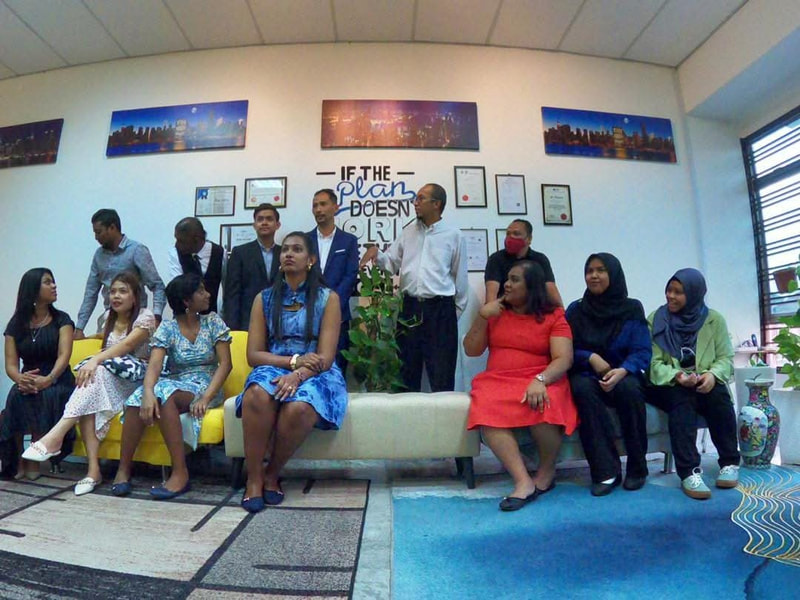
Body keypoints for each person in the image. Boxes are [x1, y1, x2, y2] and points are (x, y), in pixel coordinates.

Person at [237, 232, 347, 513]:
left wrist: (298, 375)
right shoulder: (264, 299)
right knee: (256, 394)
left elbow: (325, 357)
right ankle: (253, 478)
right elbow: (253, 355)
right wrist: (293, 363)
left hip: (317, 372)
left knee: (300, 406)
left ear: (311, 260)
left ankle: (272, 473)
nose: (288, 254)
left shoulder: (328, 298)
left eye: (297, 249)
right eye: (285, 249)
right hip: (277, 363)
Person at [21, 272, 156, 495]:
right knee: (90, 386)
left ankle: (56, 437)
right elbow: (103, 339)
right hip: (109, 378)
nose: (116, 296)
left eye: (123, 291)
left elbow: (125, 347)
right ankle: (93, 471)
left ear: (135, 296)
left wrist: (94, 360)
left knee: (95, 374)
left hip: (138, 379)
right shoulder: (107, 317)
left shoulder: (145, 317)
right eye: (113, 291)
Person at [464, 261, 576, 511]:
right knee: (486, 405)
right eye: (507, 278)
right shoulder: (495, 312)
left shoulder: (554, 315)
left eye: (514, 280)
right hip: (498, 380)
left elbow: (563, 359)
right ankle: (523, 481)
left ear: (531, 286)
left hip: (542, 377)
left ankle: (546, 473)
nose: (506, 284)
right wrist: (482, 317)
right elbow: (471, 350)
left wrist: (540, 380)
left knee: (544, 403)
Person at [111, 273, 232, 499]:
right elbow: (155, 366)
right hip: (177, 383)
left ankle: (180, 472)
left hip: (207, 385)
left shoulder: (213, 322)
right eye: (201, 291)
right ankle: (123, 469)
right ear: (186, 301)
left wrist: (206, 397)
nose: (208, 294)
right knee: (139, 396)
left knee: (166, 394)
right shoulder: (167, 328)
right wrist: (148, 392)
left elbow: (226, 365)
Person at [360, 183, 468, 392]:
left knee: (442, 374)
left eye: (421, 198)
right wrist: (377, 253)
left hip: (440, 311)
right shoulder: (408, 232)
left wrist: (450, 315)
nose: (415, 203)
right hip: (409, 308)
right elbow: (390, 264)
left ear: (436, 204)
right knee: (406, 373)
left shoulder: (454, 235)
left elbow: (460, 280)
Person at [647, 268, 739, 499]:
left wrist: (712, 375)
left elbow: (725, 358)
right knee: (682, 399)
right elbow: (653, 363)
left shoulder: (714, 320)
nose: (670, 296)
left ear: (694, 294)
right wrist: (678, 376)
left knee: (719, 395)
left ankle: (729, 462)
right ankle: (689, 472)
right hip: (669, 383)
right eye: (669, 290)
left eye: (678, 292)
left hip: (703, 379)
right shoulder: (656, 319)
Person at [566, 253, 651, 496]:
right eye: (589, 270)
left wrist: (623, 370)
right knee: (581, 389)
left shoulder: (632, 308)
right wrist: (590, 357)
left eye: (601, 270)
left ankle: (637, 468)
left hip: (624, 372)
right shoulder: (576, 310)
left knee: (630, 390)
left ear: (613, 274)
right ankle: (606, 472)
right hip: (587, 373)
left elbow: (642, 350)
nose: (594, 275)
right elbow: (565, 348)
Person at [1, 268, 74, 480]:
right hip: (28, 379)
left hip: (58, 378)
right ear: (33, 289)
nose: (54, 286)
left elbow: (64, 356)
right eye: (47, 282)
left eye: (53, 281)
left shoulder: (62, 320)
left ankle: (34, 456)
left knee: (45, 395)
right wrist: (20, 379)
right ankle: (16, 459)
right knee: (16, 395)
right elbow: (11, 364)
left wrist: (48, 379)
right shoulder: (16, 324)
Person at [75, 209, 165, 339]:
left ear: (112, 228)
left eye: (99, 232)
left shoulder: (136, 250)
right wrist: (80, 327)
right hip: (109, 318)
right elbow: (90, 293)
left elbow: (157, 285)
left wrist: (157, 316)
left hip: (136, 319)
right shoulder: (99, 255)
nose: (96, 237)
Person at [306, 189, 359, 371]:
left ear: (335, 207)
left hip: (338, 316)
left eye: (323, 204)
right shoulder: (304, 240)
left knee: (337, 368)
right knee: (309, 368)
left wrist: (332, 304)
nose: (318, 209)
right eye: (315, 205)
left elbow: (350, 275)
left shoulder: (348, 241)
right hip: (308, 315)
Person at [224, 203, 281, 330]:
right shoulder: (240, 253)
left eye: (269, 219)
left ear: (277, 225)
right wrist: (233, 328)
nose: (264, 222)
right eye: (260, 219)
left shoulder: (284, 253)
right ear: (254, 225)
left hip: (279, 321)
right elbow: (232, 294)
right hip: (248, 321)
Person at [485, 219, 563, 307]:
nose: (510, 237)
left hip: (535, 310)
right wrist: (490, 311)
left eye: (516, 234)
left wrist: (562, 312)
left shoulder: (540, 259)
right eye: (508, 234)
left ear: (529, 239)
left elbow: (551, 290)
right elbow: (491, 296)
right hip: (505, 309)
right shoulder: (496, 259)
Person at [168, 217, 225, 314]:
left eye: (181, 241)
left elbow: (227, 288)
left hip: (211, 315)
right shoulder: (175, 253)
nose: (176, 244)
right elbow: (177, 288)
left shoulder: (220, 253)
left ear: (196, 239)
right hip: (184, 316)